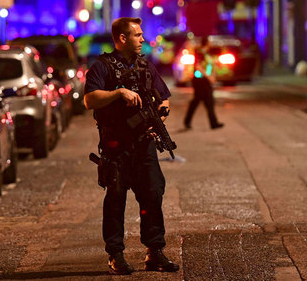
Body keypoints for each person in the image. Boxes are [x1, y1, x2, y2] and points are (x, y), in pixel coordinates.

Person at [84, 17, 180, 275]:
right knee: (115, 199)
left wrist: (160, 113)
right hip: (116, 146)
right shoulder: (102, 67)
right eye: (137, 35)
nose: (142, 39)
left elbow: (164, 97)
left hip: (144, 144)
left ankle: (154, 251)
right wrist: (119, 93)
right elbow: (90, 99)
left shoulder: (146, 67)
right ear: (122, 38)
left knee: (153, 194)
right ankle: (115, 255)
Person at [183, 36, 224, 129]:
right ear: (207, 43)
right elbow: (198, 66)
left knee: (209, 102)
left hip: (205, 80)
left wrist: (213, 75)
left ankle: (213, 123)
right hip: (199, 80)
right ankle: (187, 121)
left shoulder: (207, 53)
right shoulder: (200, 52)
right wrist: (209, 77)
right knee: (197, 101)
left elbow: (210, 65)